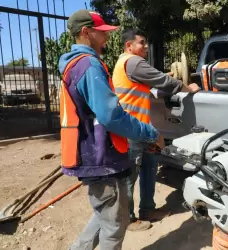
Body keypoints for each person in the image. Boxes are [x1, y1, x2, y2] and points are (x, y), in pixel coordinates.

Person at [58, 10, 163, 250]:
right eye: (101, 33)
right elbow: (111, 116)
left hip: (94, 153)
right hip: (101, 156)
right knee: (115, 226)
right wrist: (150, 133)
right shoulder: (89, 65)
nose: (106, 38)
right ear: (86, 33)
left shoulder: (73, 64)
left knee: (106, 214)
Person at [112, 29, 201, 231]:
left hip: (143, 129)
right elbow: (164, 81)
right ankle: (128, 219)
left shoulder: (128, 66)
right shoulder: (132, 62)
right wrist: (187, 88)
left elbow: (153, 89)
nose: (145, 47)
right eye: (141, 43)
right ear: (129, 46)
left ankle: (148, 209)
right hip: (132, 130)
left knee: (150, 167)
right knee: (130, 177)